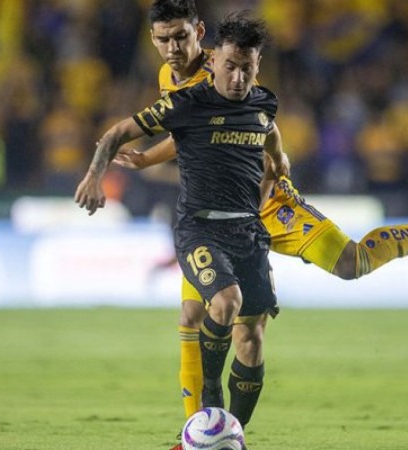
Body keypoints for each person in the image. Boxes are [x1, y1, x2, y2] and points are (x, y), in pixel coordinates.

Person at [111, 2, 408, 442]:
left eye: (180, 37)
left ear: (204, 38)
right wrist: (147, 157)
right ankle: (198, 434)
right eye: (163, 39)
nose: (171, 48)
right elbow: (188, 134)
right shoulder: (171, 79)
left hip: (270, 204)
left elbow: (240, 136)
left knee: (351, 263)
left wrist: (145, 158)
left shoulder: (226, 77)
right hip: (214, 219)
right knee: (196, 313)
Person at [76, 12, 288, 449]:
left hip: (247, 231)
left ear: (257, 66)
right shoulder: (186, 103)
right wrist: (95, 175)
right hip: (200, 228)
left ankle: (231, 433)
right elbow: (118, 132)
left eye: (247, 68)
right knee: (225, 303)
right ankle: (210, 403)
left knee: (252, 337)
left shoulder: (264, 103)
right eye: (230, 66)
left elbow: (274, 152)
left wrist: (270, 184)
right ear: (214, 62)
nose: (237, 76)